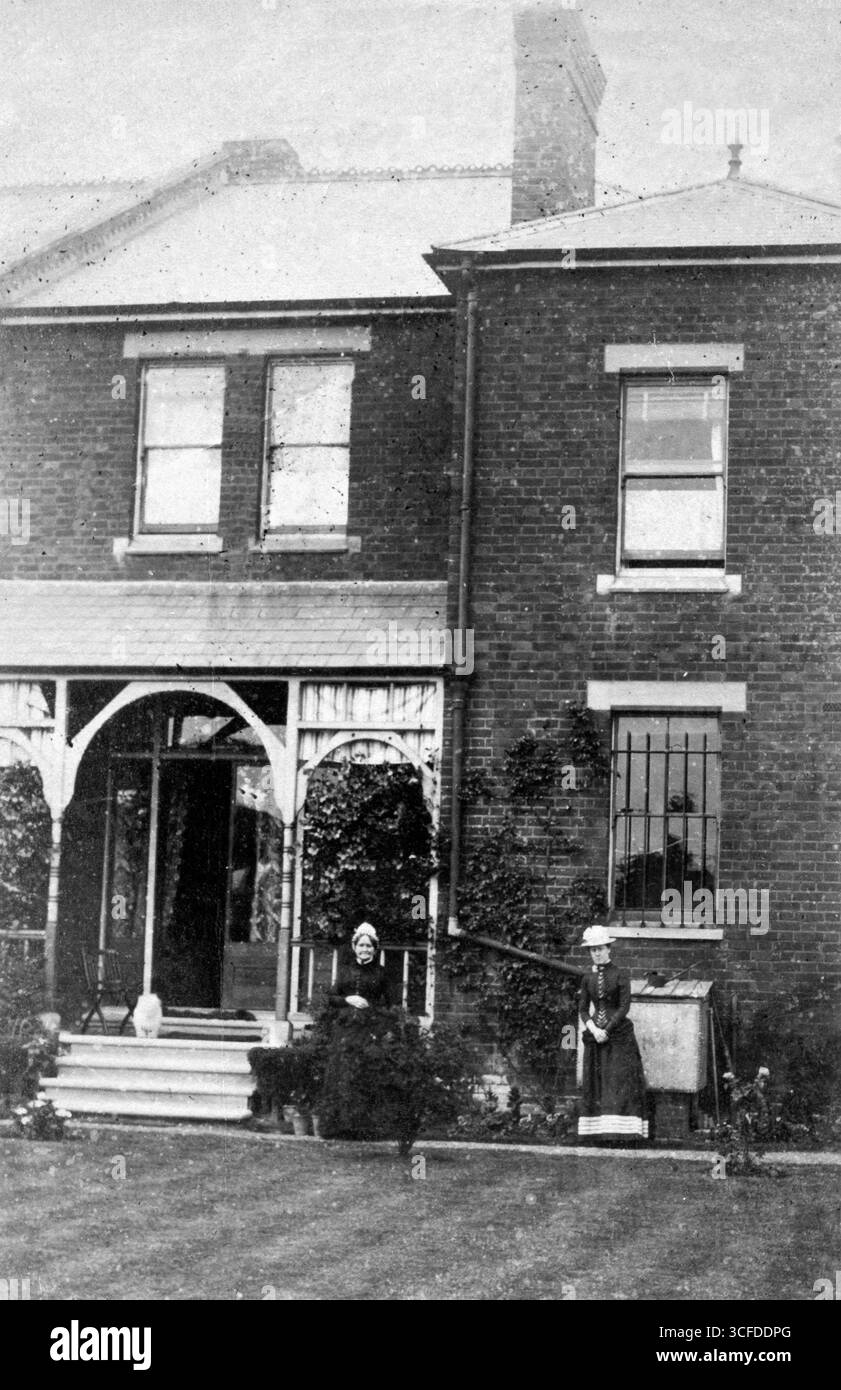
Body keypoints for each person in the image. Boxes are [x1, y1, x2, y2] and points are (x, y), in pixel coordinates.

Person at [577, 924, 648, 1141]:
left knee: (619, 1083)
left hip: (618, 1037)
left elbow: (624, 1007)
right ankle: (597, 1133)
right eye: (592, 950)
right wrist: (593, 1029)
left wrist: (606, 1030)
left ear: (609, 949)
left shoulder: (620, 976)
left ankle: (622, 1134)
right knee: (597, 1084)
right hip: (595, 1038)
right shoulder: (587, 978)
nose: (596, 953)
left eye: (600, 948)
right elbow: (582, 1009)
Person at [327, 922, 391, 1011]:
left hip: (372, 1020)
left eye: (369, 946)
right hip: (344, 1020)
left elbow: (391, 1003)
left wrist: (371, 1007)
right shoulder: (345, 970)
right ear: (355, 947)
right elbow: (332, 998)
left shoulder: (381, 972)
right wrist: (347, 999)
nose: (364, 949)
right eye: (361, 945)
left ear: (375, 949)